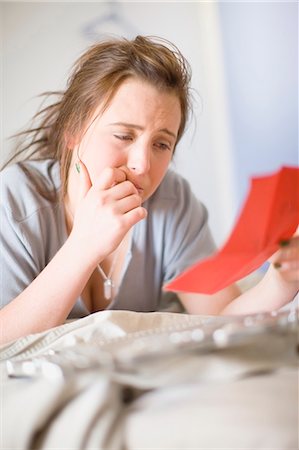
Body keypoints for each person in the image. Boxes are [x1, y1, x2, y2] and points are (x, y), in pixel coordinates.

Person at [0, 35, 298, 345]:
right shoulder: (14, 201)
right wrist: (84, 246)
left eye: (161, 144)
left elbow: (220, 316)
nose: (142, 164)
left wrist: (280, 281)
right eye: (124, 136)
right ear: (73, 131)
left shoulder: (173, 201)